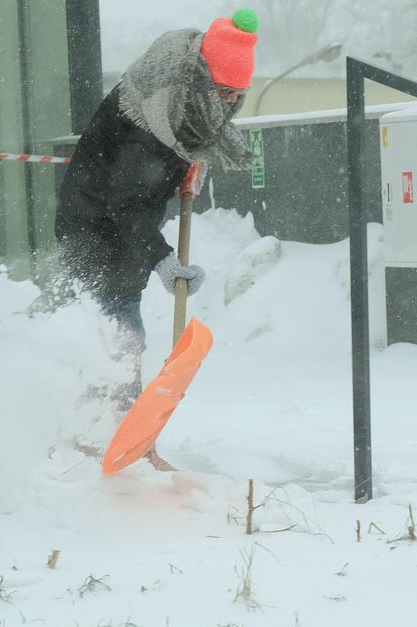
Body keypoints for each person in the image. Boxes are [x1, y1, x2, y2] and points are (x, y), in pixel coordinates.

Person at [54, 9, 259, 409]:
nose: (230, 103)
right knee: (122, 335)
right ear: (201, 81)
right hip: (91, 224)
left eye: (238, 94)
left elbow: (166, 162)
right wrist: (163, 259)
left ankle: (101, 426)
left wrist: (186, 165)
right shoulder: (155, 113)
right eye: (223, 92)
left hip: (117, 224)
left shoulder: (186, 108)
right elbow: (126, 202)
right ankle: (101, 429)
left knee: (119, 330)